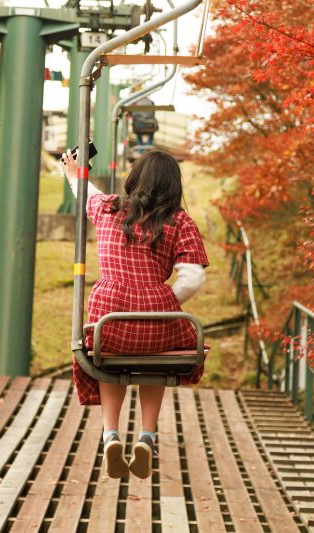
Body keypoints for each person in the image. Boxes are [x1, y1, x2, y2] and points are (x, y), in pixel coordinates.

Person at [61, 148, 209, 480]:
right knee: (157, 357)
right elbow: (194, 276)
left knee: (108, 359)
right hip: (157, 321)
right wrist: (163, 297)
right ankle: (146, 436)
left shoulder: (109, 207)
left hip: (109, 320)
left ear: (135, 178)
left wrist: (74, 170)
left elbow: (86, 192)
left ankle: (110, 435)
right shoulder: (179, 221)